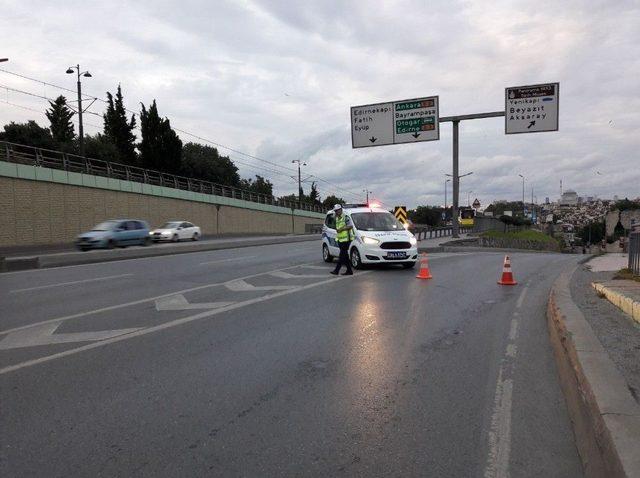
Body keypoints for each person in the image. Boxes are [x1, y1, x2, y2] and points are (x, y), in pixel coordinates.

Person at [331, 204, 354, 276]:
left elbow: (350, 226)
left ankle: (336, 270)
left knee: (341, 255)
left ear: (341, 210)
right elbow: (336, 225)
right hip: (341, 239)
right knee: (345, 256)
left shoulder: (346, 217)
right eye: (335, 211)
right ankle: (349, 271)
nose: (336, 212)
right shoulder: (337, 218)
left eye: (337, 210)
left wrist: (341, 229)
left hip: (347, 239)